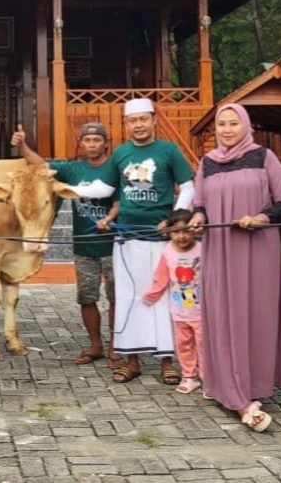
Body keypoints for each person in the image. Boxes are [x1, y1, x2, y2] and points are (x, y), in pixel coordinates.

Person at [187, 102, 281, 432]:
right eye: (221, 124)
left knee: (256, 313)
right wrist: (197, 219)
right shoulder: (207, 162)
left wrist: (260, 218)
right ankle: (227, 385)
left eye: (233, 124)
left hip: (258, 250)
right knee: (224, 314)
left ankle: (255, 384)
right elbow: (201, 204)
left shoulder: (264, 156)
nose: (226, 130)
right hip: (220, 251)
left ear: (245, 126)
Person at [11, 120, 119, 366]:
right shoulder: (73, 169)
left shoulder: (114, 167)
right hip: (83, 245)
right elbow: (41, 165)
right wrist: (23, 146)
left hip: (113, 245)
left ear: (106, 143)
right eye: (87, 140)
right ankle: (95, 345)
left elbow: (119, 200)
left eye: (97, 140)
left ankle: (116, 345)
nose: (92, 144)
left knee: (116, 298)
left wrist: (111, 217)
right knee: (87, 297)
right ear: (80, 143)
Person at [109, 97, 195, 385]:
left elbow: (188, 186)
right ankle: (131, 361)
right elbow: (109, 188)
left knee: (163, 297)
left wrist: (172, 219)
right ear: (126, 124)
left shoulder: (168, 150)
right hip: (127, 239)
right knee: (129, 298)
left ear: (154, 120)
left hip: (160, 241)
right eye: (133, 120)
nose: (139, 125)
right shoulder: (120, 153)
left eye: (143, 119)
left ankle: (167, 361)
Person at [141, 208, 203, 394]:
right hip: (179, 312)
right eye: (176, 231)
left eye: (186, 231)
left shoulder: (203, 250)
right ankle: (189, 376)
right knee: (184, 346)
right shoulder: (167, 252)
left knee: (204, 347)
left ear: (195, 229)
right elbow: (161, 277)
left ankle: (209, 379)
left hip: (202, 312)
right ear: (169, 233)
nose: (182, 236)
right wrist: (151, 295)